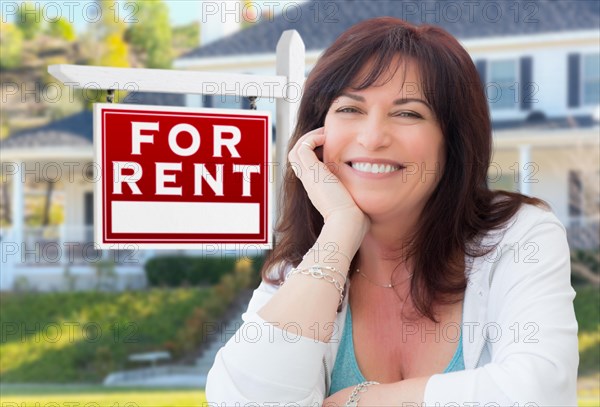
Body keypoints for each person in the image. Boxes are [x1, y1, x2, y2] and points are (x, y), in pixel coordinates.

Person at [205, 17, 578, 406]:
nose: (372, 137)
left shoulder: (518, 237)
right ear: (317, 135)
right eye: (350, 108)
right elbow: (243, 399)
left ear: (452, 142)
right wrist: (340, 231)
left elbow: (539, 391)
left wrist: (358, 401)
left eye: (407, 113)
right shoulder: (305, 269)